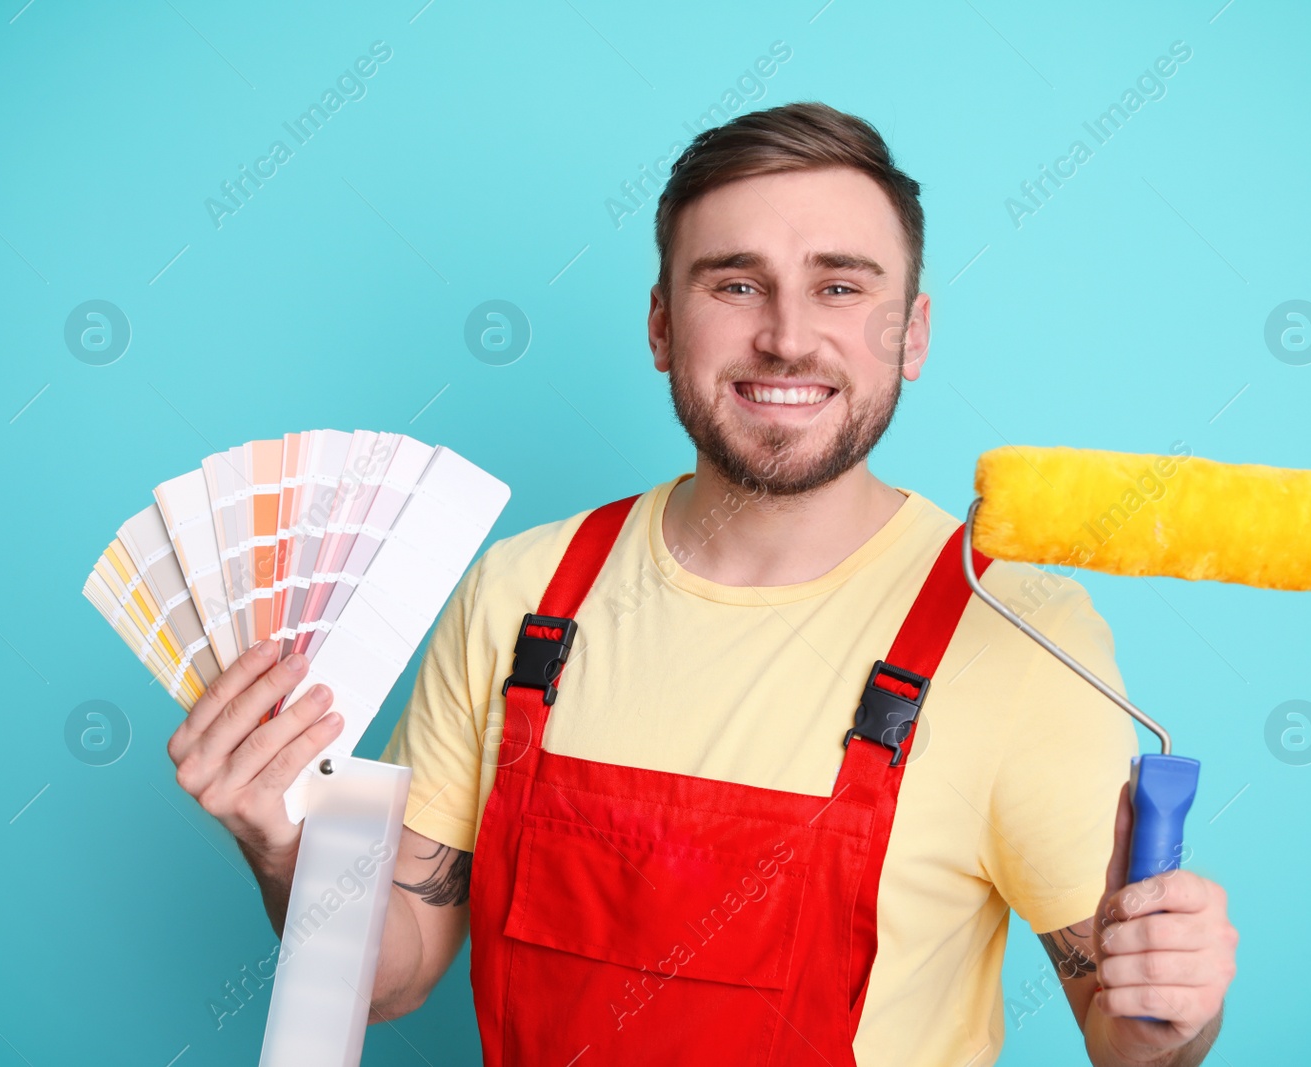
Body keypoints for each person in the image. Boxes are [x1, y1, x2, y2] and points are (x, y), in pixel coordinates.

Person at [168, 101, 1236, 1066]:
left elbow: (1131, 1039)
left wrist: (1173, 1006)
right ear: (660, 325)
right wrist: (286, 846)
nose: (785, 333)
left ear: (909, 334)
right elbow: (390, 979)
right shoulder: (523, 591)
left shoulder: (1015, 630)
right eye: (734, 283)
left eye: (839, 285)